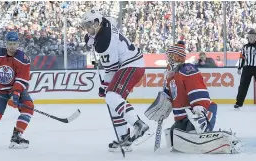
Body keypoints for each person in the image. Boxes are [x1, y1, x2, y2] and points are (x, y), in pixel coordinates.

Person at [144, 41, 240, 154]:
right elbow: (168, 97)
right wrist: (162, 108)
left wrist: (199, 106)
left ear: (177, 57)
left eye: (170, 57)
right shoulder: (170, 76)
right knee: (173, 134)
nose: (168, 59)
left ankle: (210, 127)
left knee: (192, 131)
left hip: (198, 113)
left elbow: (197, 88)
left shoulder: (188, 70)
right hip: (183, 117)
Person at [81, 8, 151, 152]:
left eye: (88, 24)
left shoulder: (105, 43)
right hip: (127, 64)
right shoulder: (104, 25)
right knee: (112, 101)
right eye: (85, 25)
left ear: (96, 22)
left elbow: (111, 69)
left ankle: (139, 125)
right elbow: (101, 31)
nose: (86, 28)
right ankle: (124, 139)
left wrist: (104, 85)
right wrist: (93, 39)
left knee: (112, 96)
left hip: (132, 64)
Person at [235, 29, 256, 109]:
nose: (251, 38)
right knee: (243, 86)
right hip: (246, 68)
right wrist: (239, 67)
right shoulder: (244, 47)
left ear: (255, 37)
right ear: (248, 37)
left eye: (253, 36)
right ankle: (239, 103)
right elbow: (241, 58)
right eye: (250, 36)